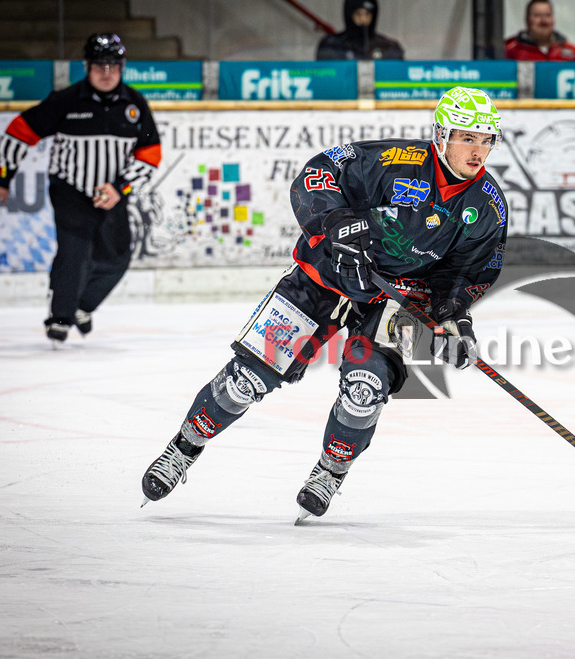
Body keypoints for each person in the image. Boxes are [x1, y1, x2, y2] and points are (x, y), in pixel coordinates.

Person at [140, 87, 509, 522]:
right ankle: (183, 449)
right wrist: (335, 222)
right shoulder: (393, 161)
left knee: (365, 390)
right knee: (247, 379)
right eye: (468, 137)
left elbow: (467, 272)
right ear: (441, 135)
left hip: (392, 300)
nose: (478, 149)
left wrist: (452, 318)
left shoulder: (488, 205)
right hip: (323, 277)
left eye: (487, 139)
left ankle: (329, 473)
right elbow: (318, 173)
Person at [0, 33, 161, 343]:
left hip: (113, 193)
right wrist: (3, 178)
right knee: (74, 252)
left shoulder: (134, 104)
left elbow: (150, 154)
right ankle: (60, 317)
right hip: (71, 190)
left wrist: (121, 188)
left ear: (123, 67)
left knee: (118, 257)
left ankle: (83, 305)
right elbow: (19, 131)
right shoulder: (66, 101)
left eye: (113, 66)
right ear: (85, 66)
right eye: (99, 66)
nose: (106, 73)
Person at [315, 0, 404, 61]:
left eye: (367, 14)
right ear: (349, 14)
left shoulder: (388, 47)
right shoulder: (332, 46)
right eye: (358, 14)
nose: (363, 19)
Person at [504, 0, 575, 61]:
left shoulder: (574, 54)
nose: (543, 21)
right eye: (537, 15)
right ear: (527, 19)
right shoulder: (507, 51)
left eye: (548, 15)